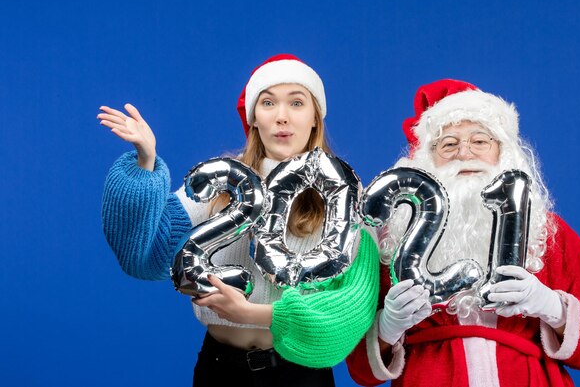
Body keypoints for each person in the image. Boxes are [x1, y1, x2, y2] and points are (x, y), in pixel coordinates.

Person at [98, 54, 379, 387]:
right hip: (221, 369)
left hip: (300, 375)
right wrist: (145, 161)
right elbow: (145, 257)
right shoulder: (220, 184)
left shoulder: (344, 193)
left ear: (316, 118)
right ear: (254, 118)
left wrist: (253, 314)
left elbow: (353, 306)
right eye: (268, 102)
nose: (282, 117)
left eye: (297, 103)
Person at [346, 79, 580, 387]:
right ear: (425, 160)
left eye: (480, 141)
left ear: (504, 152)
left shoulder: (550, 233)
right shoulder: (390, 242)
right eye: (448, 144)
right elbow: (360, 370)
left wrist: (553, 307)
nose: (464, 153)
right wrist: (386, 328)